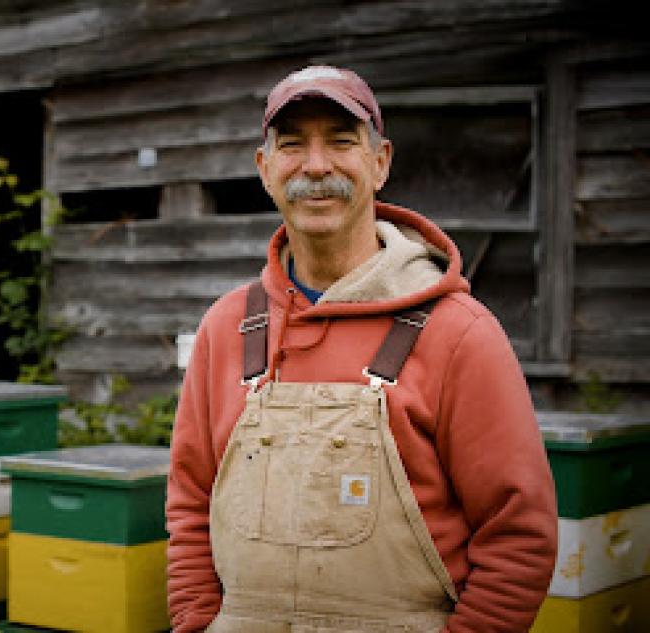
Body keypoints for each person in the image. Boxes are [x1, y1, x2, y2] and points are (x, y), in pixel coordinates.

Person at [166, 65, 558, 632]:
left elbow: (520, 536)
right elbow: (188, 508)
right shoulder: (227, 327)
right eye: (293, 145)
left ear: (380, 163)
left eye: (342, 142)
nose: (316, 166)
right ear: (265, 169)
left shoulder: (459, 333)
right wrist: (199, 622)